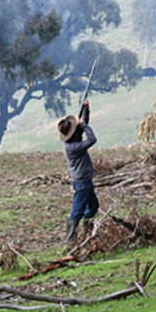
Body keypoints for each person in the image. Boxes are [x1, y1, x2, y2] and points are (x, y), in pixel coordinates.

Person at [58, 98, 98, 244]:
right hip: (82, 183)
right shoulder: (73, 147)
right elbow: (92, 139)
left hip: (85, 181)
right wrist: (84, 125)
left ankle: (88, 231)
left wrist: (86, 109)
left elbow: (80, 126)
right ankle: (70, 239)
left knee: (94, 206)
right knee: (77, 211)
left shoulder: (72, 140)